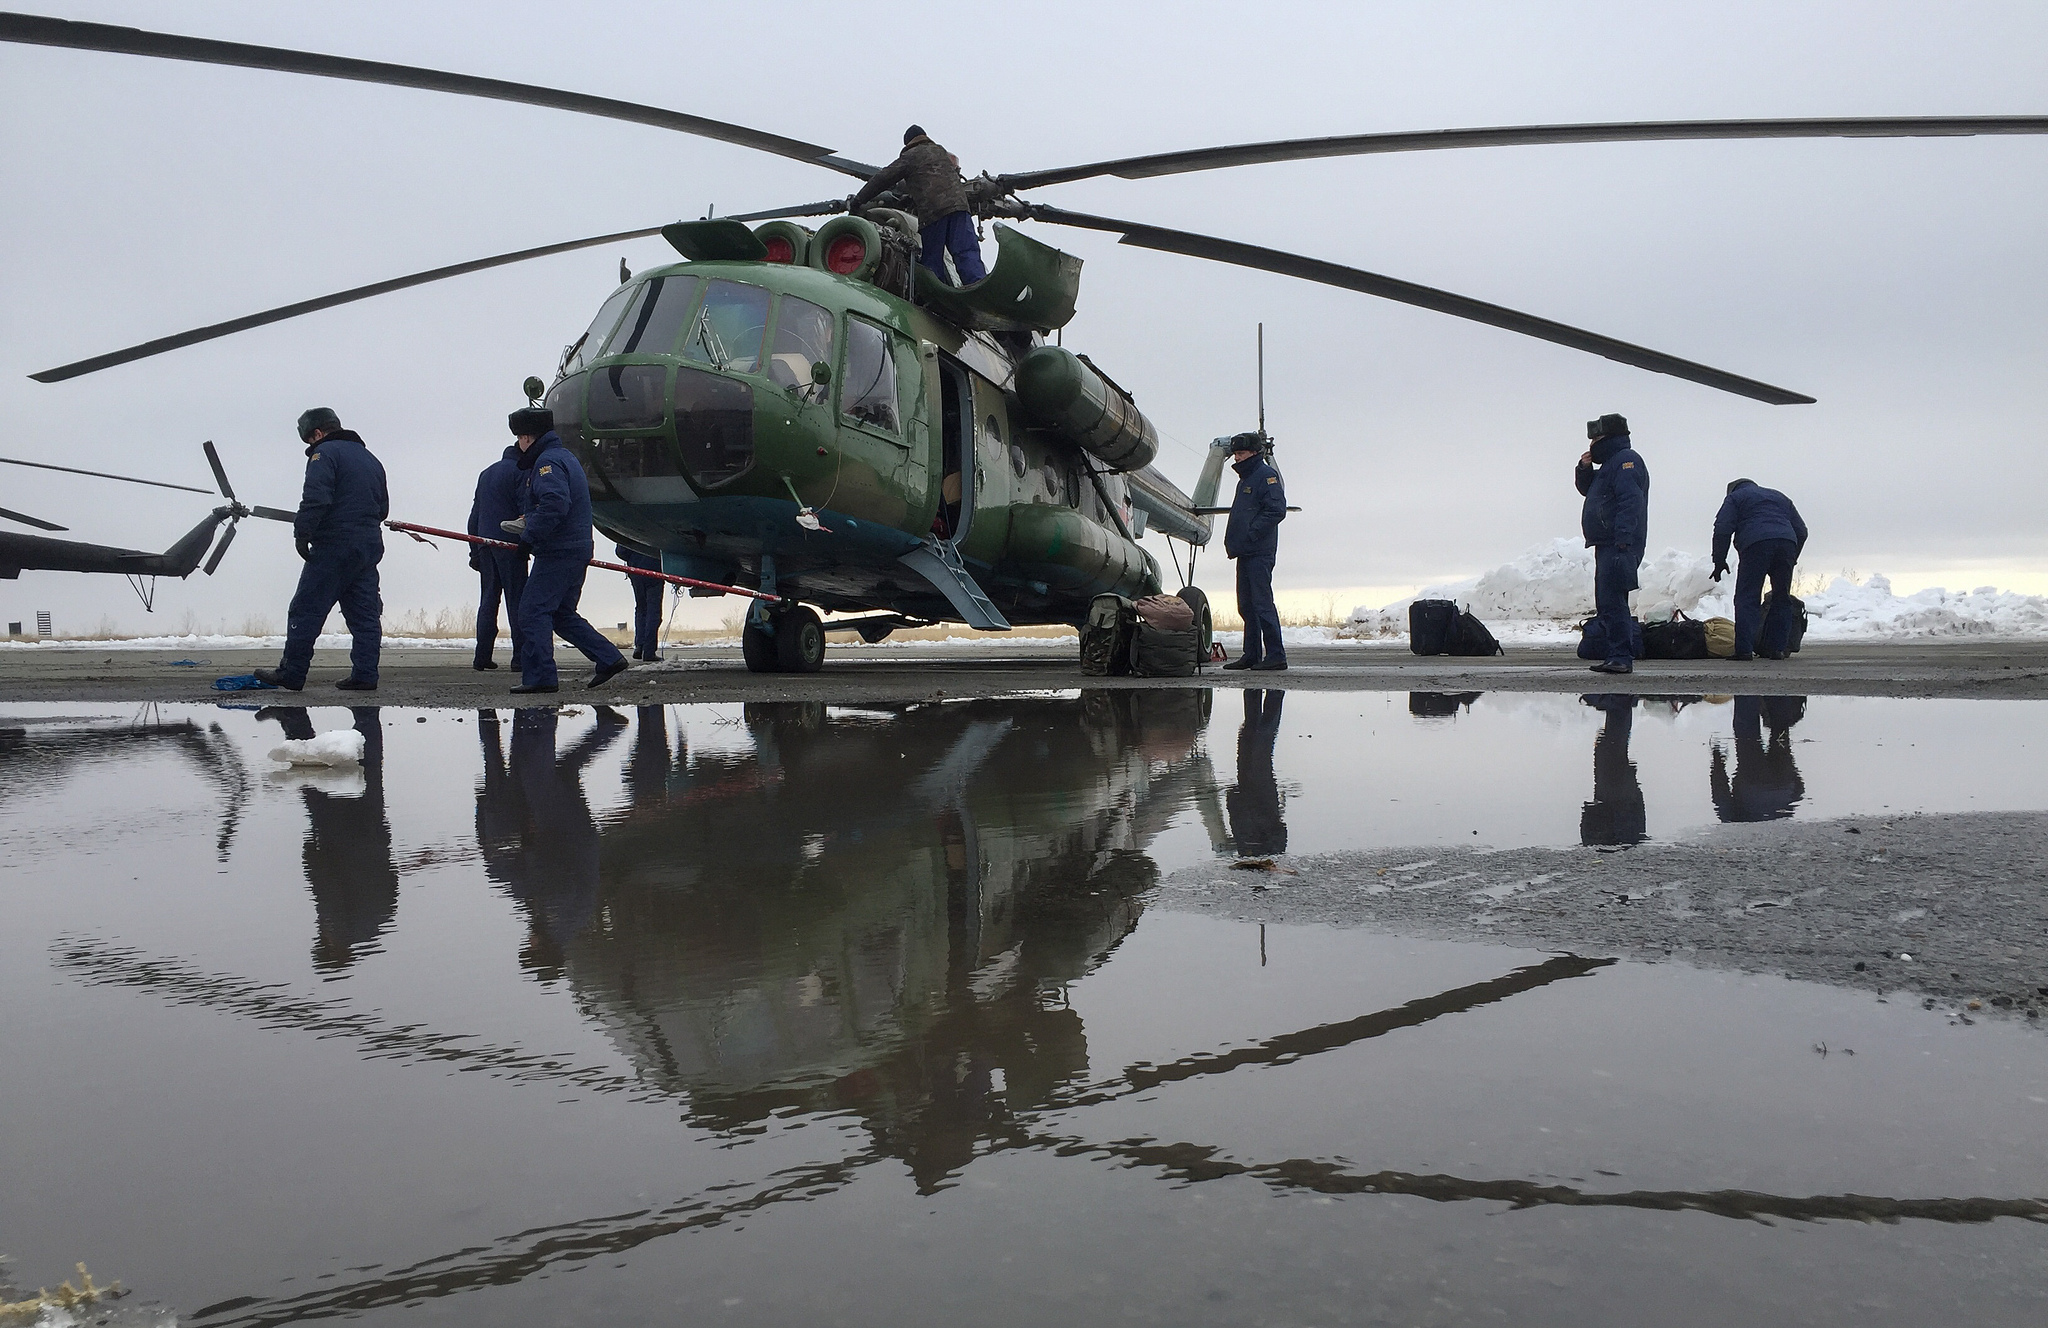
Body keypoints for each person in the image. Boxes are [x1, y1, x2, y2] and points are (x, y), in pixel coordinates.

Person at [255, 407, 388, 692]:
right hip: (368, 546)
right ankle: (365, 674)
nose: (310, 446)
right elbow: (384, 509)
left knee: (306, 609)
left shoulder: (323, 454)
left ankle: (292, 672)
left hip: (334, 546)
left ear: (317, 433)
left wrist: (302, 533)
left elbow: (316, 497)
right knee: (364, 615)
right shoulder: (371, 459)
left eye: (308, 441)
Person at [504, 406, 629, 694]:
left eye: (520, 437)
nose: (518, 444)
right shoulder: (565, 457)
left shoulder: (547, 463)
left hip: (559, 551)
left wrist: (528, 537)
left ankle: (540, 677)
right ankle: (608, 658)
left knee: (532, 611)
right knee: (560, 613)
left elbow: (555, 504)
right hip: (576, 547)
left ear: (527, 437)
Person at [847, 125, 987, 286]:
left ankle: (936, 294)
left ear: (908, 143)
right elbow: (935, 180)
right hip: (960, 209)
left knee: (932, 262)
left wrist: (859, 200)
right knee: (967, 252)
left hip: (934, 213)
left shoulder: (911, 156)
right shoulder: (940, 152)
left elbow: (882, 179)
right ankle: (979, 287)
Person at [1575, 413, 1649, 676]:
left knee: (1615, 599)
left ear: (1609, 438)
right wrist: (1584, 471)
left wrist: (1623, 540)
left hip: (1619, 544)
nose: (1592, 444)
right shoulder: (1610, 466)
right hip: (1607, 543)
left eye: (1596, 438)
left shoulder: (1626, 462)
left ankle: (1621, 656)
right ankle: (1615, 654)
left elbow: (1631, 502)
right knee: (1607, 600)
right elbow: (1591, 491)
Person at [1711, 478, 1808, 661]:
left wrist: (1719, 561)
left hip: (1756, 544)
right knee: (1781, 597)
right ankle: (1777, 649)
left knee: (1747, 597)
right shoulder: (1779, 497)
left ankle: (1744, 651)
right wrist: (1792, 557)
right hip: (1787, 543)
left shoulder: (1735, 498)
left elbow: (1722, 528)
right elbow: (1802, 531)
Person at [1221, 433, 1288, 671]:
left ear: (1253, 453)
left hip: (1259, 551)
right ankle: (1252, 654)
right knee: (1246, 605)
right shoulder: (1246, 479)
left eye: (1241, 454)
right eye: (1236, 454)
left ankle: (1276, 655)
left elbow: (1276, 510)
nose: (1237, 458)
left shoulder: (1266, 476)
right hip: (1245, 551)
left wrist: (1251, 533)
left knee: (1262, 603)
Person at [468, 438, 529, 672]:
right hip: (511, 545)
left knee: (488, 600)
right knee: (517, 602)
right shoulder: (520, 472)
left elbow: (474, 515)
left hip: (484, 543)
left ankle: (481, 656)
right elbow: (525, 510)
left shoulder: (486, 474)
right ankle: (520, 659)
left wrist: (474, 549)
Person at [1711, 695, 1807, 821]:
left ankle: (1780, 728)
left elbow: (1798, 792)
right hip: (1774, 788)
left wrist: (1718, 763)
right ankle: (1780, 721)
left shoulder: (1738, 828)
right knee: (1776, 728)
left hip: (1779, 788)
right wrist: (1718, 762)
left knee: (1748, 731)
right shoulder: (1735, 827)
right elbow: (1720, 797)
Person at [1579, 694, 1647, 846]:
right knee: (1611, 756)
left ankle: (1614, 700)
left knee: (1611, 757)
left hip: (1618, 806)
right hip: (1619, 807)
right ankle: (1614, 700)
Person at [616, 543, 665, 661]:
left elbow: (621, 552)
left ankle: (639, 646)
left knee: (641, 609)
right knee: (653, 612)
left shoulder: (629, 527)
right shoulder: (656, 528)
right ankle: (649, 651)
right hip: (654, 571)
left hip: (636, 571)